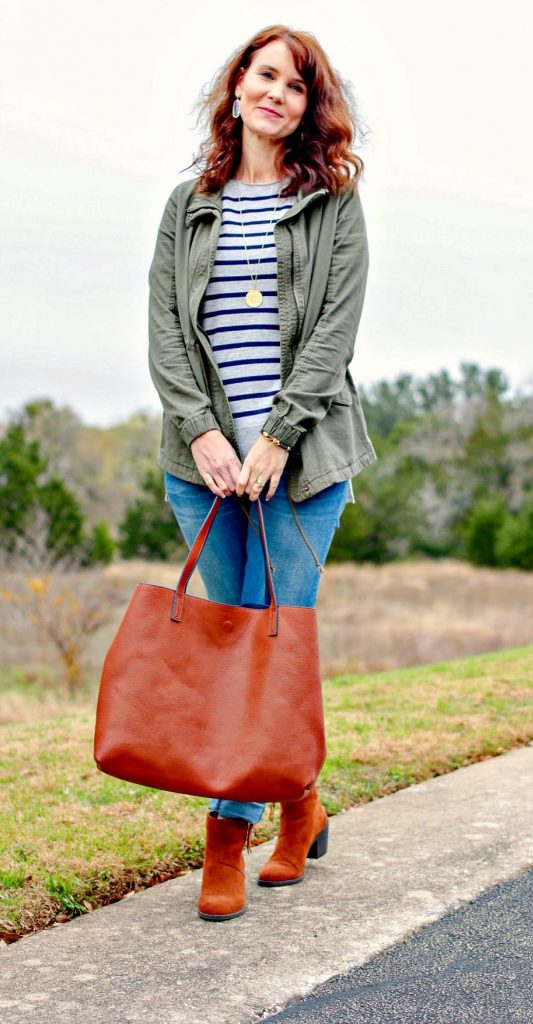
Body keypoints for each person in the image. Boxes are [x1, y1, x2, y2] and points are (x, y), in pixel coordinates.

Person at [147, 24, 377, 922]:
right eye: (266, 74)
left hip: (303, 466)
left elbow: (334, 336)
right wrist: (204, 432)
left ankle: (225, 836)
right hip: (201, 469)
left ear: (309, 106)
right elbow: (167, 330)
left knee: (269, 637)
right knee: (247, 646)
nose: (278, 92)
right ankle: (301, 802)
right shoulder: (188, 203)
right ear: (239, 84)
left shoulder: (332, 202)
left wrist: (277, 436)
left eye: (298, 85)